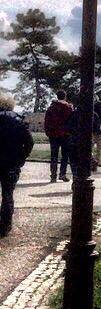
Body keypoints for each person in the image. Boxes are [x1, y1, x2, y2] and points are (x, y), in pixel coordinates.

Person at [0, 92, 34, 238]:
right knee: (8, 194)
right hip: (11, 163)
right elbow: (29, 142)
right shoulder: (18, 121)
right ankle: (5, 225)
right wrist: (21, 158)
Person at [44, 90, 74, 182]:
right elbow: (72, 121)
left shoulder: (51, 108)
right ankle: (62, 174)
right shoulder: (69, 108)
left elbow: (46, 121)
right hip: (65, 134)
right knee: (65, 155)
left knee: (54, 155)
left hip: (53, 134)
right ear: (65, 97)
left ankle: (53, 175)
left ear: (57, 97)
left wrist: (48, 132)